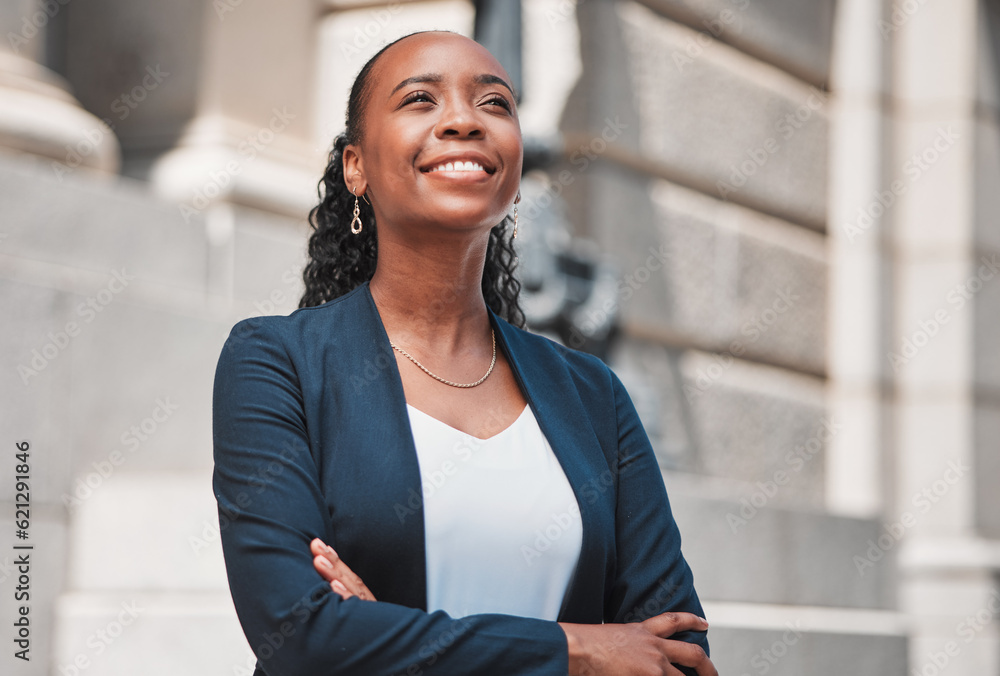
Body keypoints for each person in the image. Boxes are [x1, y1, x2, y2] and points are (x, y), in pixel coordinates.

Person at [212, 29, 716, 676]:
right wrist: (579, 650)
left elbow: (678, 657)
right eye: (420, 99)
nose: (462, 120)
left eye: (495, 104)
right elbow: (299, 631)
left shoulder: (593, 396)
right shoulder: (277, 363)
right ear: (355, 167)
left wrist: (386, 639)